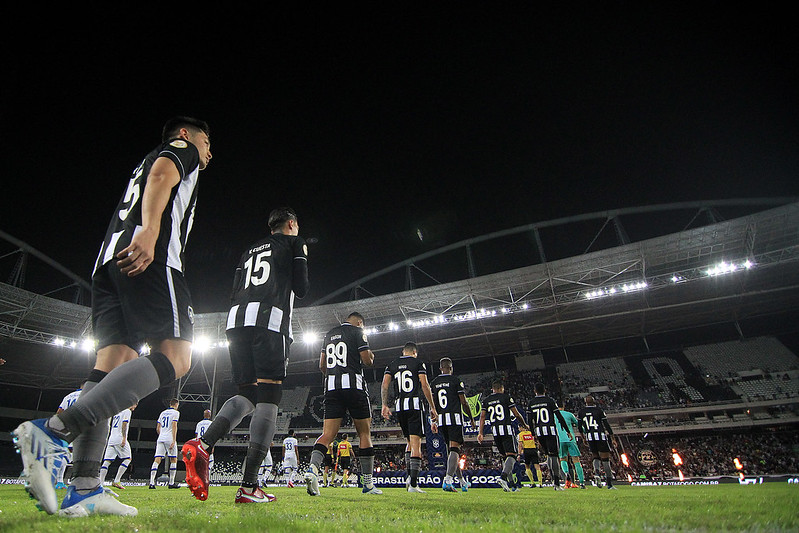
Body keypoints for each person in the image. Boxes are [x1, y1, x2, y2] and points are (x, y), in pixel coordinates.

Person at [12, 116, 211, 517]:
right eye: (207, 142)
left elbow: (151, 176)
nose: (209, 152)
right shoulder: (181, 149)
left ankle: (84, 486)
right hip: (150, 258)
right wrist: (151, 230)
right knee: (177, 357)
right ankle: (54, 431)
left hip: (109, 264)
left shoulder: (142, 162)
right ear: (186, 135)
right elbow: (162, 175)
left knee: (109, 366)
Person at [181, 207, 309, 504]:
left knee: (248, 394)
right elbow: (302, 288)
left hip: (236, 323)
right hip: (270, 322)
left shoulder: (249, 250)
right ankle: (250, 486)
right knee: (269, 398)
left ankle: (203, 444)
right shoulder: (295, 242)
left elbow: (235, 290)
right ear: (292, 223)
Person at [304, 313, 383, 496]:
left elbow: (322, 366)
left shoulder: (329, 334)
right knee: (364, 434)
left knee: (327, 434)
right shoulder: (358, 332)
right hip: (354, 387)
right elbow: (367, 360)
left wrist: (335, 375)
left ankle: (312, 470)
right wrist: (371, 355)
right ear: (359, 322)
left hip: (332, 388)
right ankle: (368, 484)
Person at [382, 342, 438, 493]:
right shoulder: (418, 363)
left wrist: (384, 404)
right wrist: (432, 407)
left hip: (400, 407)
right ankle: (413, 484)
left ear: (403, 351)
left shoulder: (392, 364)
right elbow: (425, 385)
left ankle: (409, 477)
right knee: (416, 444)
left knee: (408, 442)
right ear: (415, 352)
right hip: (414, 406)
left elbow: (385, 385)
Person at [429, 357, 476, 492]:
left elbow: (432, 404)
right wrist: (471, 418)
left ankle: (462, 482)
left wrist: (433, 421)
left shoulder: (434, 383)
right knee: (455, 450)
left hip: (442, 420)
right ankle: (448, 480)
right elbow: (464, 402)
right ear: (451, 368)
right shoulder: (455, 381)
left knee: (452, 452)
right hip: (454, 419)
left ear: (440, 368)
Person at [477, 379, 529, 492]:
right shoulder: (506, 398)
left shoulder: (486, 400)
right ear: (501, 388)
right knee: (512, 456)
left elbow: (482, 417)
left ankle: (512, 485)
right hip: (506, 430)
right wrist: (524, 424)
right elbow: (516, 414)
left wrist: (480, 433)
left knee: (506, 458)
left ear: (492, 389)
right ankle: (503, 478)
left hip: (495, 432)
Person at [527, 382, 572, 491]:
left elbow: (530, 420)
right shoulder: (550, 400)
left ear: (535, 391)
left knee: (548, 455)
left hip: (539, 432)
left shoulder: (531, 403)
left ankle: (552, 479)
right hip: (550, 431)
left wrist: (533, 434)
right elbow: (559, 416)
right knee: (554, 455)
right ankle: (556, 483)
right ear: (545, 390)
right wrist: (567, 430)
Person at [577, 395, 616, 489]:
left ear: (585, 402)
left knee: (595, 456)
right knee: (605, 459)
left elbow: (579, 427)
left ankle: (597, 473)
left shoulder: (581, 412)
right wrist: (612, 438)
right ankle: (609, 484)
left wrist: (583, 437)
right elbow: (606, 425)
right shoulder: (599, 411)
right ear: (594, 401)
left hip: (590, 437)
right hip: (600, 435)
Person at [99, 404, 136, 489]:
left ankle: (100, 483)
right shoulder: (127, 411)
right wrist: (124, 438)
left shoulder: (117, 412)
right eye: (135, 405)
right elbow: (124, 424)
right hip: (119, 438)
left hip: (111, 439)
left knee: (107, 461)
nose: (135, 407)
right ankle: (117, 480)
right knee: (128, 459)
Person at [54, 389, 82, 489]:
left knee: (67, 454)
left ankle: (59, 481)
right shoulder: (86, 394)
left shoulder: (68, 396)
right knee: (76, 455)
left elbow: (59, 412)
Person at [150, 399, 180, 489]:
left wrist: (162, 434)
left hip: (161, 438)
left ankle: (151, 482)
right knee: (173, 459)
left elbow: (158, 428)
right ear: (176, 404)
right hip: (169, 437)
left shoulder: (162, 413)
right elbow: (174, 425)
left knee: (157, 459)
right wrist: (173, 440)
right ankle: (171, 483)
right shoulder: (175, 413)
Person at [556, 407, 585, 488]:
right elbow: (578, 424)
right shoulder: (569, 414)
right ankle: (582, 482)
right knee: (576, 460)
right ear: (563, 406)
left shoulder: (554, 415)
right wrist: (585, 431)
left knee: (562, 459)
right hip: (571, 439)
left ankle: (566, 474)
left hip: (560, 440)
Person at [194, 410, 214, 475]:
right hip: (207, 443)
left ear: (204, 415)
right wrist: (212, 446)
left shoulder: (199, 424)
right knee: (210, 461)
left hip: (199, 444)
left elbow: (196, 435)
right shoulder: (211, 423)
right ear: (210, 415)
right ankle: (206, 476)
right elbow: (213, 435)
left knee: (200, 462)